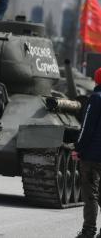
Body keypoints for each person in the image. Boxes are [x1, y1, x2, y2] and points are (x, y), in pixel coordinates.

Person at [73, 67, 101, 238]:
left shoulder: (96, 98)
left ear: (96, 80)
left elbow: (87, 127)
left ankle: (88, 230)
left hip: (92, 156)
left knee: (90, 194)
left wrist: (78, 148)